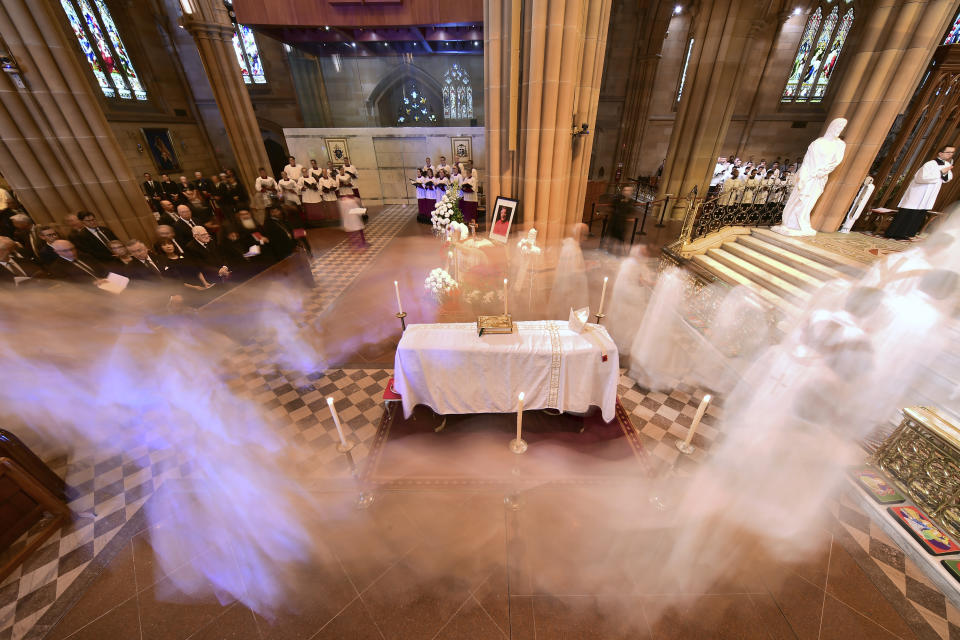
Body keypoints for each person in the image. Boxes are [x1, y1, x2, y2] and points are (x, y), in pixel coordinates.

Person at [772, 117, 847, 237]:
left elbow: (836, 161)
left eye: (841, 128)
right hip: (808, 175)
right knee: (798, 198)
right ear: (832, 127)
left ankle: (800, 223)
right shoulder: (817, 143)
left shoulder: (840, 145)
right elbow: (806, 161)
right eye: (838, 127)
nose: (839, 130)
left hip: (819, 177)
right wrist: (803, 176)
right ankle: (788, 222)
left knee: (809, 201)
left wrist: (823, 171)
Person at [885, 146, 955, 240]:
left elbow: (947, 179)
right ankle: (893, 233)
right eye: (948, 152)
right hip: (918, 192)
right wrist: (940, 172)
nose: (950, 154)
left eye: (952, 153)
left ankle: (907, 233)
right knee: (908, 212)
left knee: (919, 213)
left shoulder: (947, 164)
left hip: (929, 194)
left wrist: (944, 173)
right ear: (940, 153)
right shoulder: (930, 164)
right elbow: (921, 178)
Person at [604, 185, 635, 253]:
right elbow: (612, 207)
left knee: (620, 241)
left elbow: (630, 211)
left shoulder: (631, 202)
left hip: (622, 224)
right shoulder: (617, 198)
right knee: (611, 239)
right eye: (625, 190)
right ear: (623, 191)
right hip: (614, 222)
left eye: (629, 191)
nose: (627, 192)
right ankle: (609, 252)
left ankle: (618, 254)